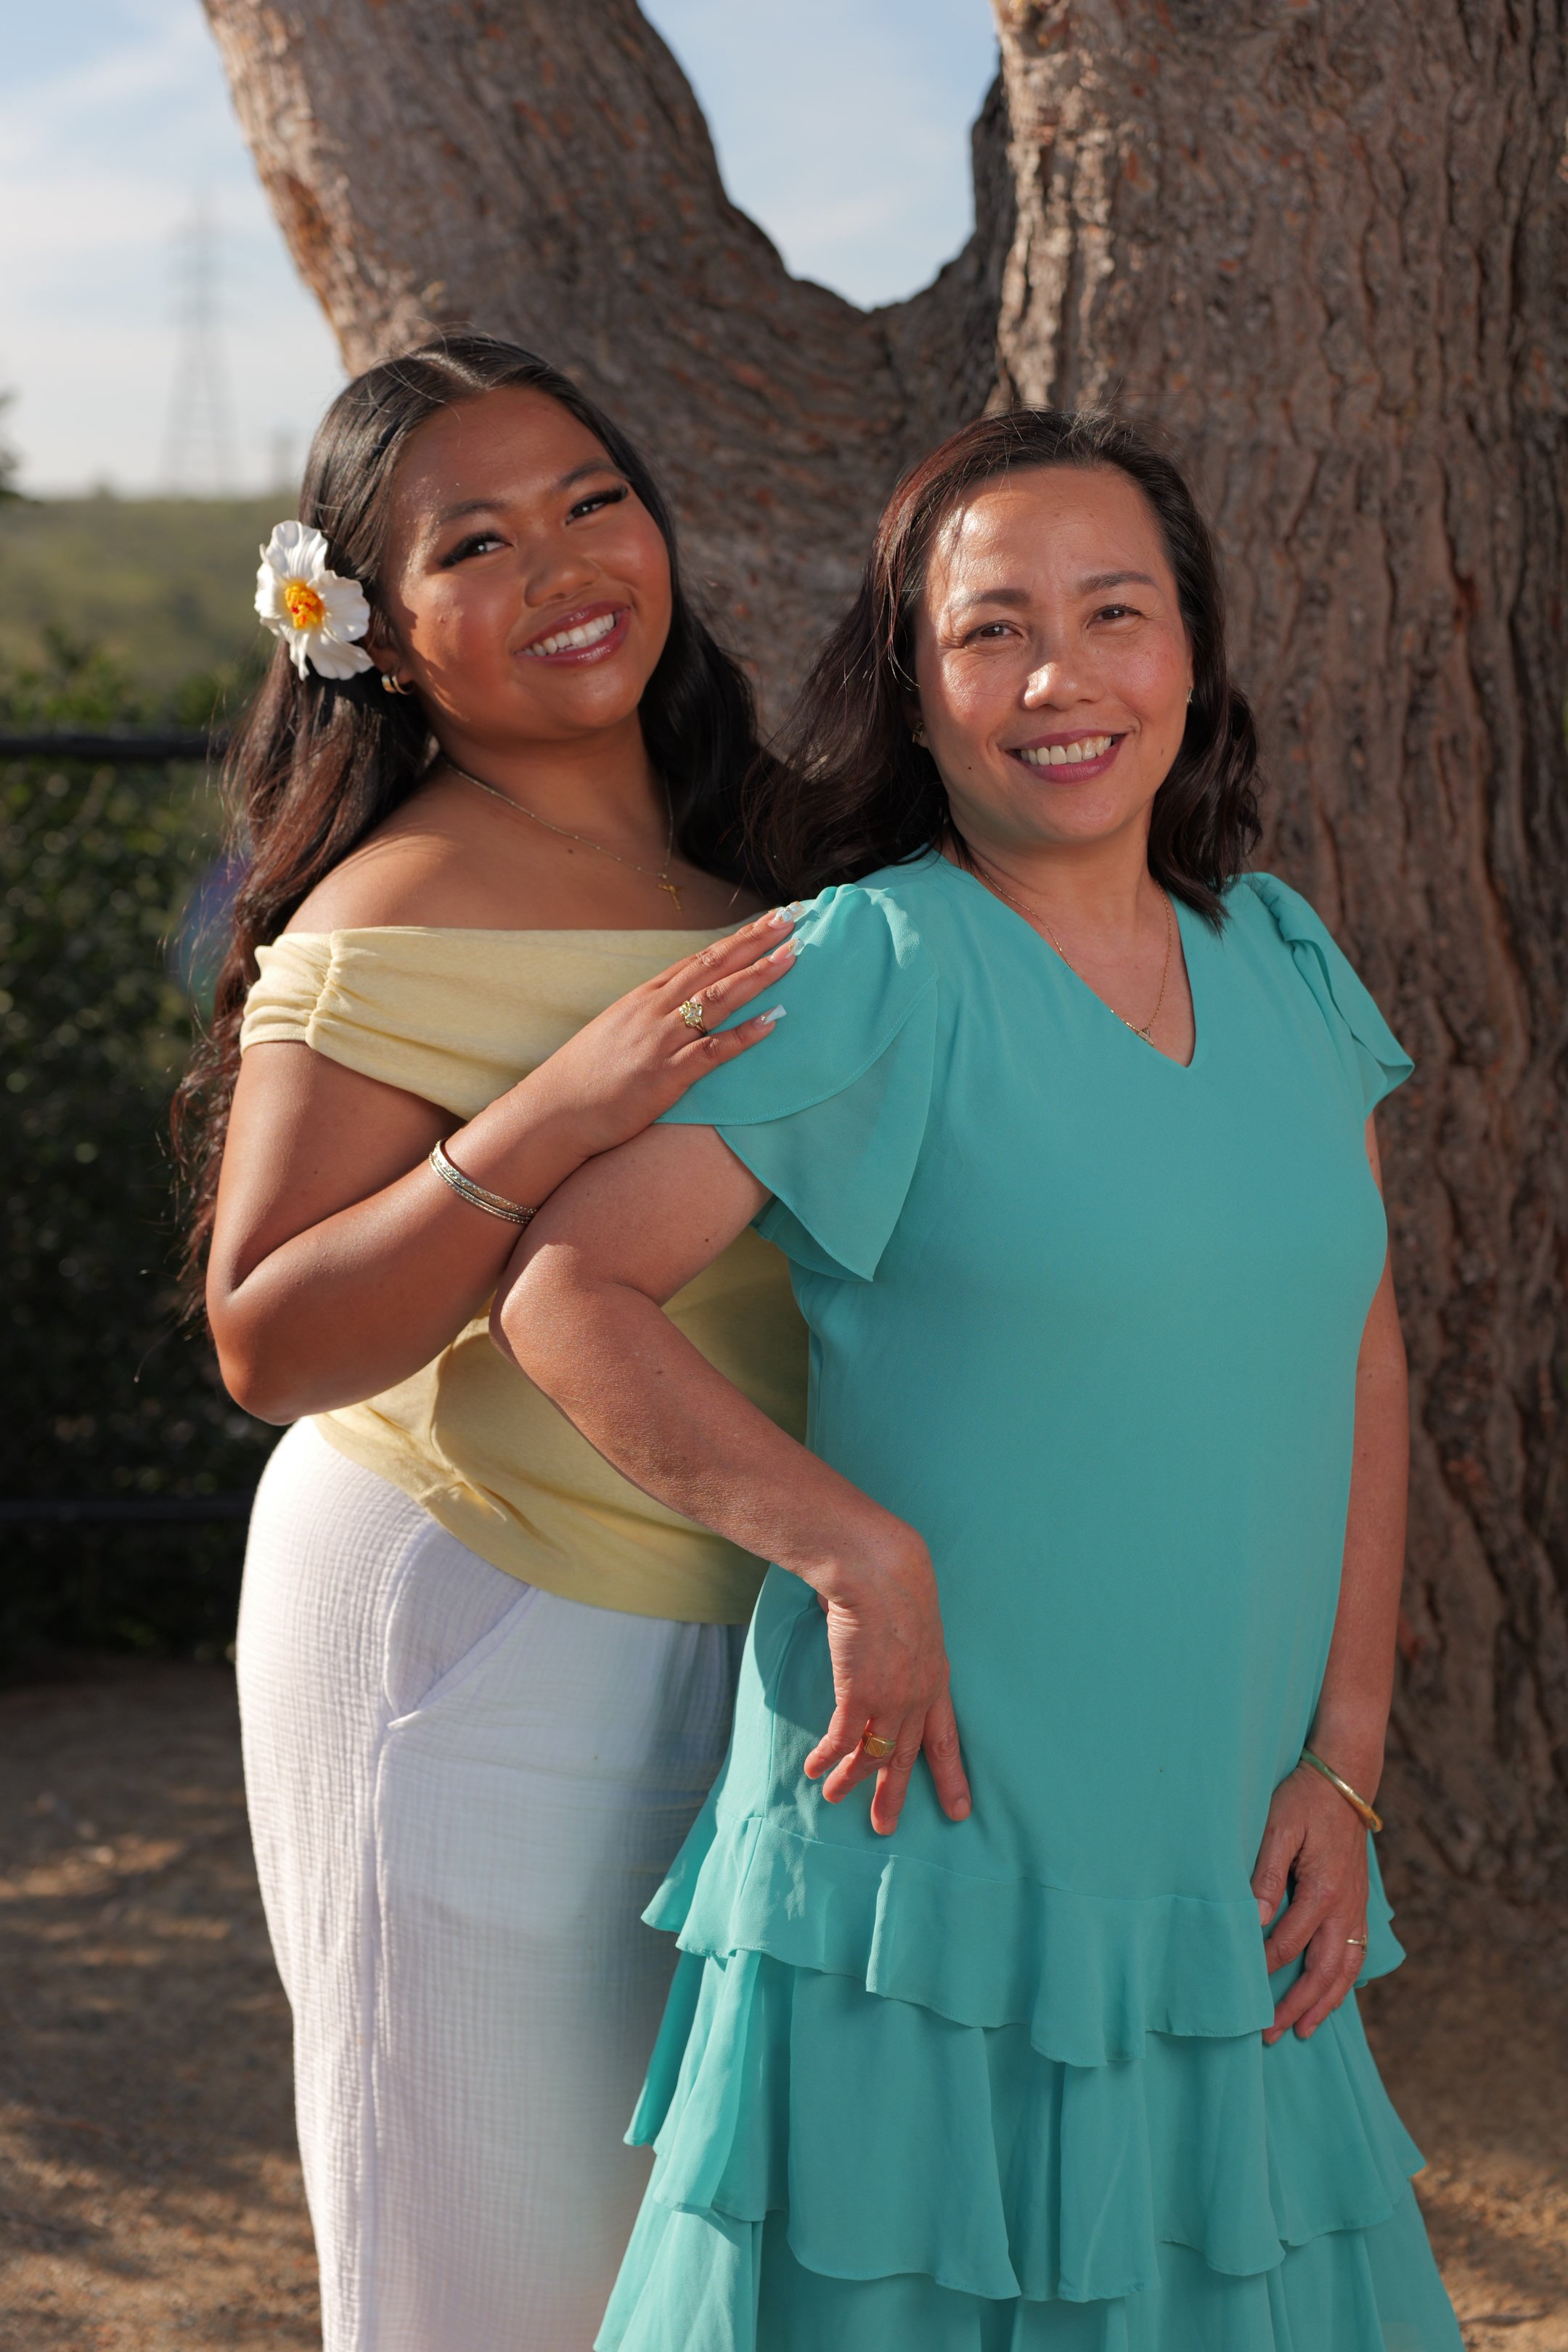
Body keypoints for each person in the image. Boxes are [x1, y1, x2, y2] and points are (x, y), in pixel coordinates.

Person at [492, 408, 1464, 2349]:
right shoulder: (871, 966)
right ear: (915, 692)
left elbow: (1355, 1346)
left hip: (1225, 1842)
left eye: (1113, 615)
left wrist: (1346, 1757)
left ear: (1190, 651)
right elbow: (566, 1288)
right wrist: (853, 1554)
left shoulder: (1286, 960)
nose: (1057, 679)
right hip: (927, 1854)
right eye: (990, 630)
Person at [173, 331, 809, 2351]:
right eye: (477, 544)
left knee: (684, 2276)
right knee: (485, 2278)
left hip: (741, 1626)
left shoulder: (761, 853)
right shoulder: (396, 906)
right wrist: (551, 1114)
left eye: (592, 503)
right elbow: (267, 1336)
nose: (563, 567)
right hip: (476, 1624)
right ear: (371, 631)